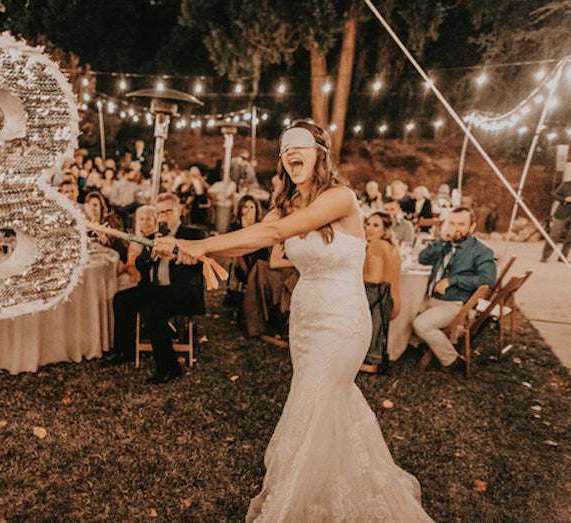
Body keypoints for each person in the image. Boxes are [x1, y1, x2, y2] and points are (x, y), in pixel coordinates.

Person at [154, 120, 433, 521]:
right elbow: (256, 235)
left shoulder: (340, 197)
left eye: (299, 145)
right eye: (284, 149)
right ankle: (330, 490)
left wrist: (197, 245)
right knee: (320, 403)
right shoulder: (284, 203)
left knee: (318, 399)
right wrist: (192, 248)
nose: (290, 153)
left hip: (342, 319)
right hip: (306, 318)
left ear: (321, 152)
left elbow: (281, 233)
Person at [104, 193, 205, 385]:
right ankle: (124, 351)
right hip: (155, 288)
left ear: (179, 211)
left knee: (153, 313)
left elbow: (197, 268)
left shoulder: (193, 235)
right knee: (121, 300)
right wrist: (151, 252)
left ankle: (169, 367)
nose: (164, 216)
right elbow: (141, 265)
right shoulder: (155, 236)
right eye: (160, 212)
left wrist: (175, 252)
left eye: (168, 211)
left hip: (181, 291)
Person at [413, 207, 496, 371]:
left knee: (420, 324)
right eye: (452, 223)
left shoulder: (482, 250)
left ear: (472, 227)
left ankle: (452, 360)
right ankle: (422, 345)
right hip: (433, 298)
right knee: (404, 312)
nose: (455, 228)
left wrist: (453, 280)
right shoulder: (445, 243)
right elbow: (422, 259)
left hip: (456, 302)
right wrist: (441, 240)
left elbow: (488, 280)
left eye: (461, 224)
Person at [362, 212, 403, 371]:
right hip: (393, 302)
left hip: (381, 302)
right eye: (368, 224)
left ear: (386, 229)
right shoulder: (394, 245)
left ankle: (368, 362)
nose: (370, 229)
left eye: (376, 225)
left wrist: (353, 274)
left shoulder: (376, 245)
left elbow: (375, 278)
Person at [540, 175, 571, 262]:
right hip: (561, 214)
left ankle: (563, 257)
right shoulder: (566, 185)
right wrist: (565, 199)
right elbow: (554, 195)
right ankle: (545, 256)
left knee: (569, 238)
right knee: (554, 235)